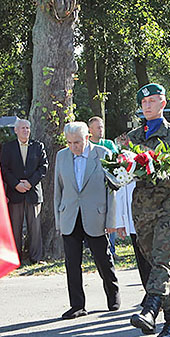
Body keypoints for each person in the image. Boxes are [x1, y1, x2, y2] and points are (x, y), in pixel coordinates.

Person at [127, 83, 170, 337]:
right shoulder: (133, 136)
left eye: (152, 101)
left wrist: (154, 170)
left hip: (169, 209)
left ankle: (150, 308)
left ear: (163, 104)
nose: (148, 106)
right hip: (143, 213)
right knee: (161, 268)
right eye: (144, 103)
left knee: (164, 262)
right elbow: (124, 169)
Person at [53, 122, 120, 320]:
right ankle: (77, 305)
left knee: (103, 259)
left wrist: (111, 220)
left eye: (77, 142)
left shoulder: (102, 154)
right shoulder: (62, 156)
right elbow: (58, 189)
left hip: (96, 215)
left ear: (87, 137)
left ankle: (113, 294)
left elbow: (112, 190)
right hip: (70, 215)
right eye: (70, 142)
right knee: (72, 263)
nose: (74, 146)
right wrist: (59, 219)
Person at [0, 119, 48, 264]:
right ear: (16, 130)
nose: (25, 130)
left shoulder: (38, 146)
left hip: (33, 192)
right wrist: (15, 184)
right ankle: (15, 258)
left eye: (27, 128)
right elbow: (4, 169)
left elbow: (43, 167)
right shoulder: (8, 148)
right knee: (15, 227)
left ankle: (36, 258)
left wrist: (30, 182)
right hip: (15, 193)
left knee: (35, 228)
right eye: (22, 128)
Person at [113, 134, 151, 306]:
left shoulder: (145, 164)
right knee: (141, 260)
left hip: (147, 220)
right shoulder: (122, 164)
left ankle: (155, 293)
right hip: (132, 221)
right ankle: (148, 291)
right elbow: (120, 195)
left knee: (152, 259)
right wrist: (120, 222)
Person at [88, 116, 120, 258]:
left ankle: (111, 249)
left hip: (108, 187)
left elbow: (117, 161)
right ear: (90, 130)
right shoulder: (86, 147)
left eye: (102, 127)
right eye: (98, 127)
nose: (101, 130)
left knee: (110, 217)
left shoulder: (109, 144)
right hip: (92, 190)